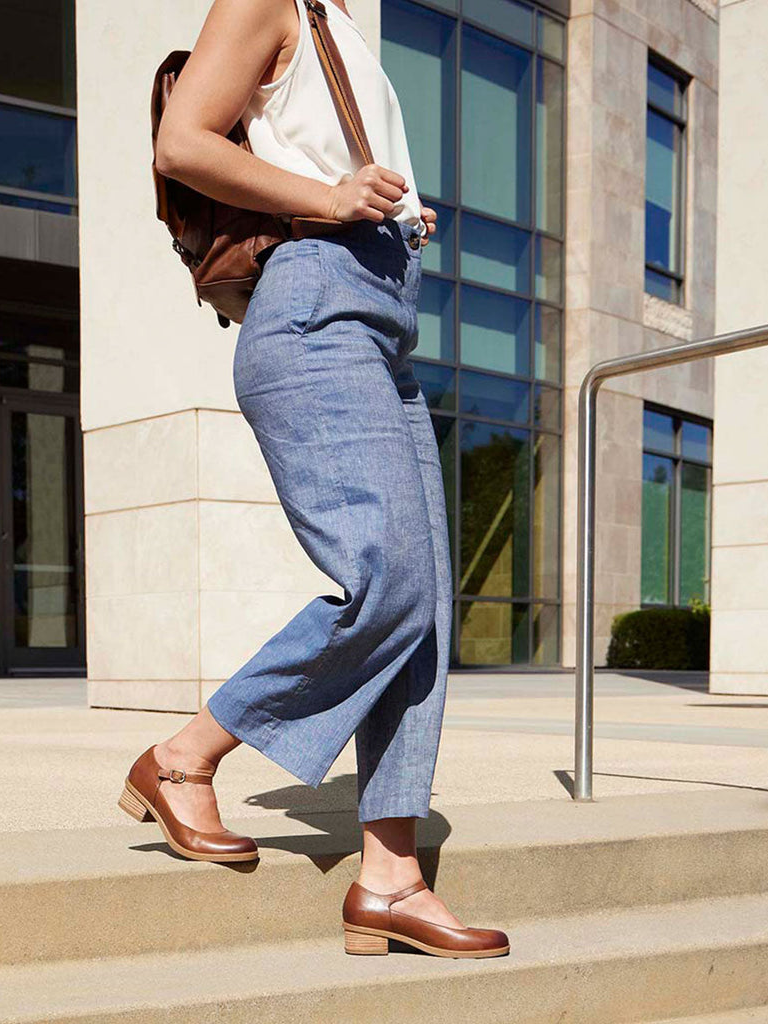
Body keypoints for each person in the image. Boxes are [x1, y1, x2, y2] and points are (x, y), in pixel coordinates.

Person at [119, 0, 509, 960]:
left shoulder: (339, 24)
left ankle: (391, 879)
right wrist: (332, 199)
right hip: (312, 317)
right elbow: (183, 144)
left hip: (378, 325)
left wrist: (394, 214)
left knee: (423, 607)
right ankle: (184, 757)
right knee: (390, 579)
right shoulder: (266, 1)